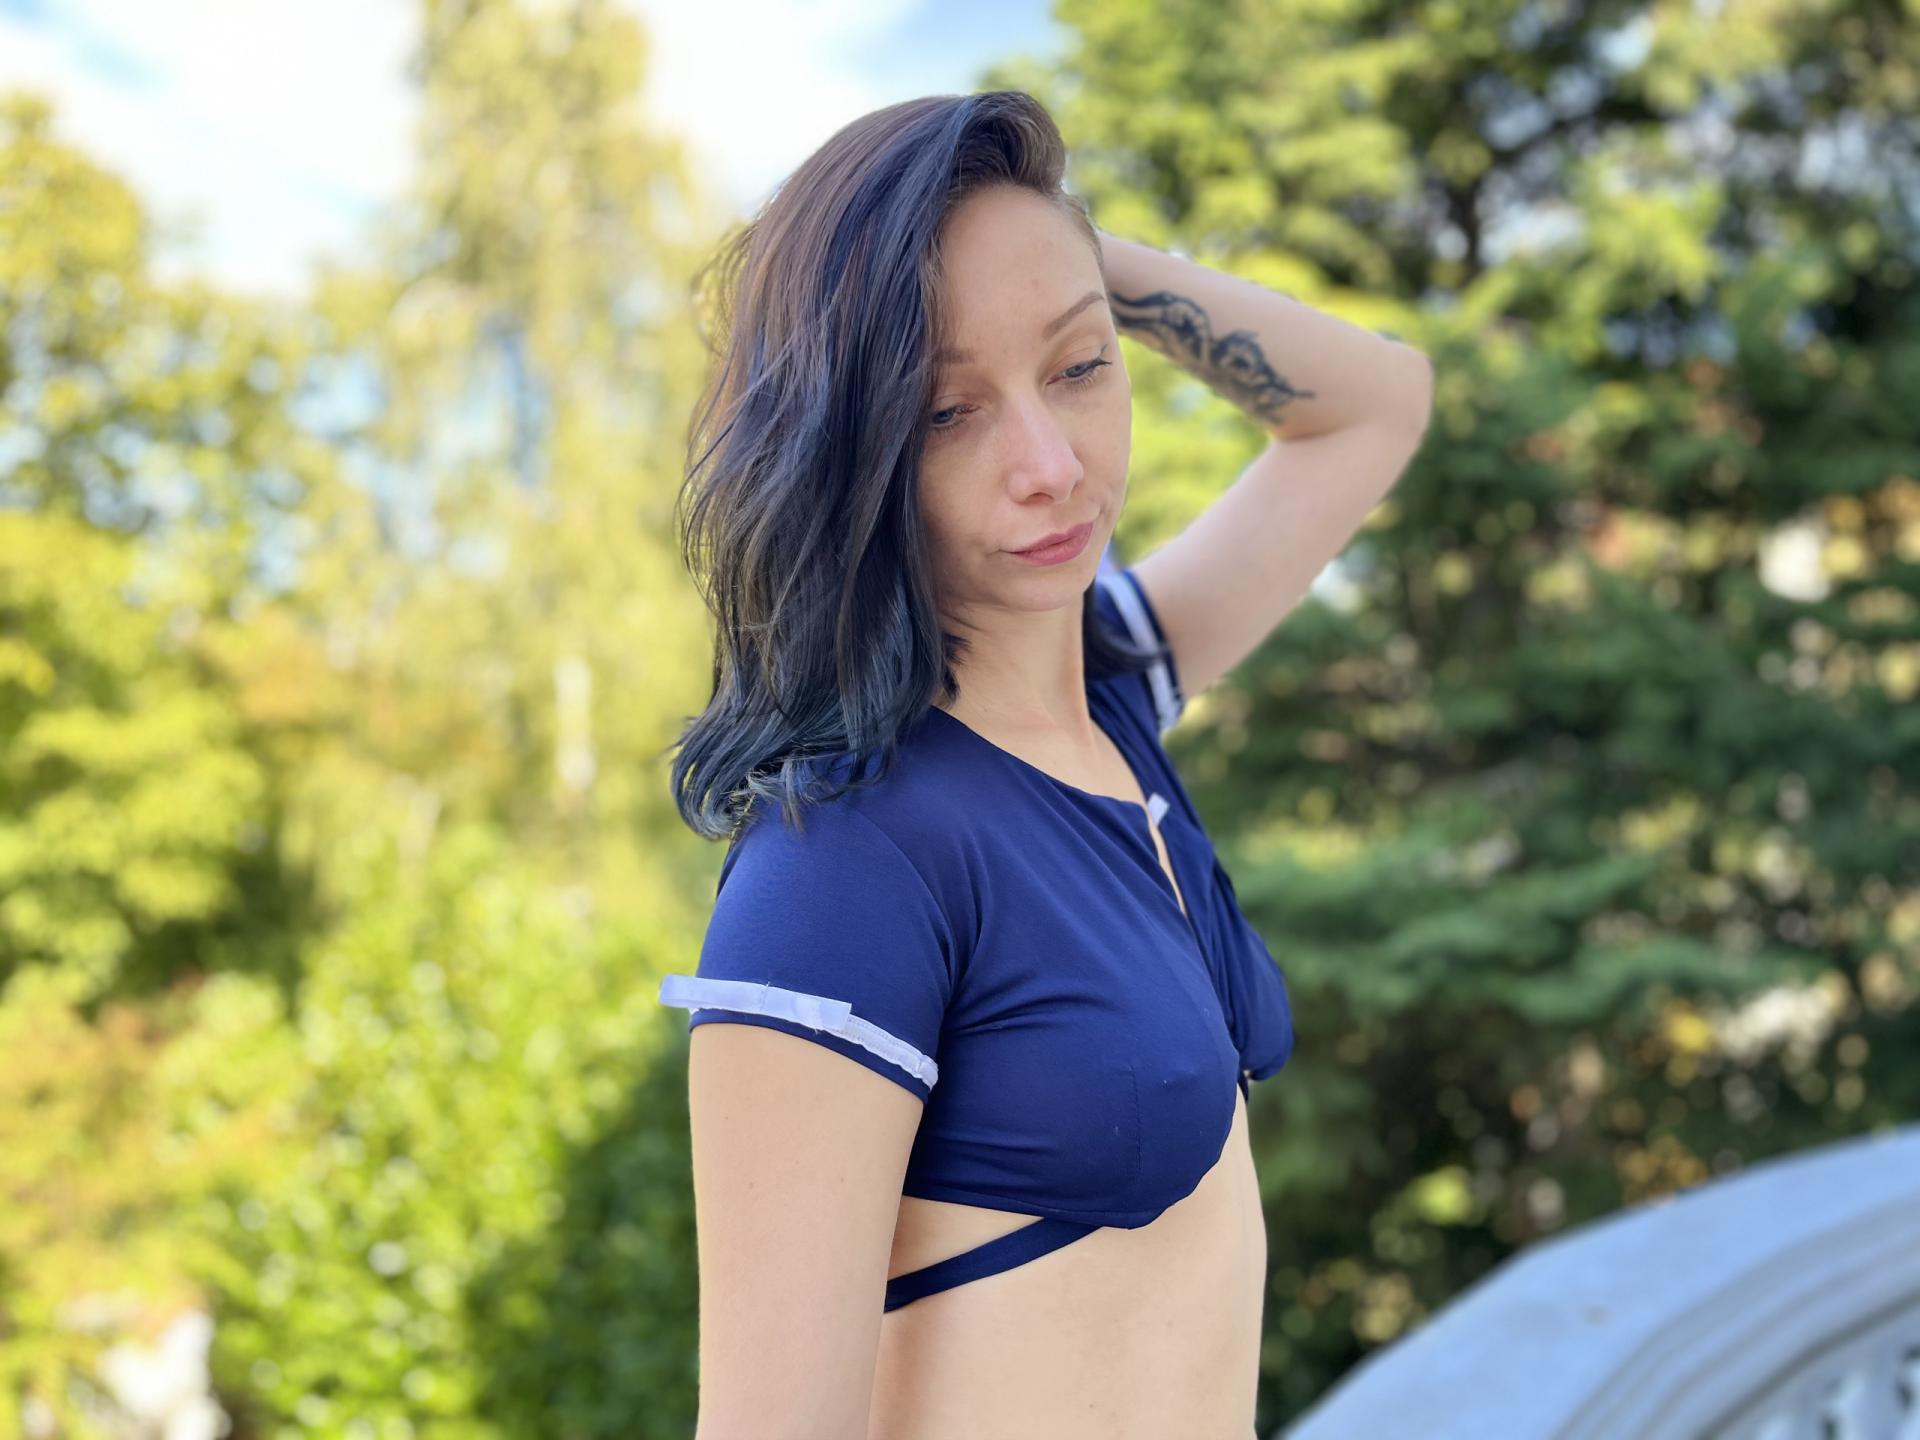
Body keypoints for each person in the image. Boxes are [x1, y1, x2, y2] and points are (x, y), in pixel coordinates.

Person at [659, 89, 1432, 1440]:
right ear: (846, 448)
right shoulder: (845, 869)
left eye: (1079, 369)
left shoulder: (1116, 691)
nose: (1049, 464)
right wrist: (1030, 291)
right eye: (948, 410)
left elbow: (1377, 404)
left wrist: (1062, 255)